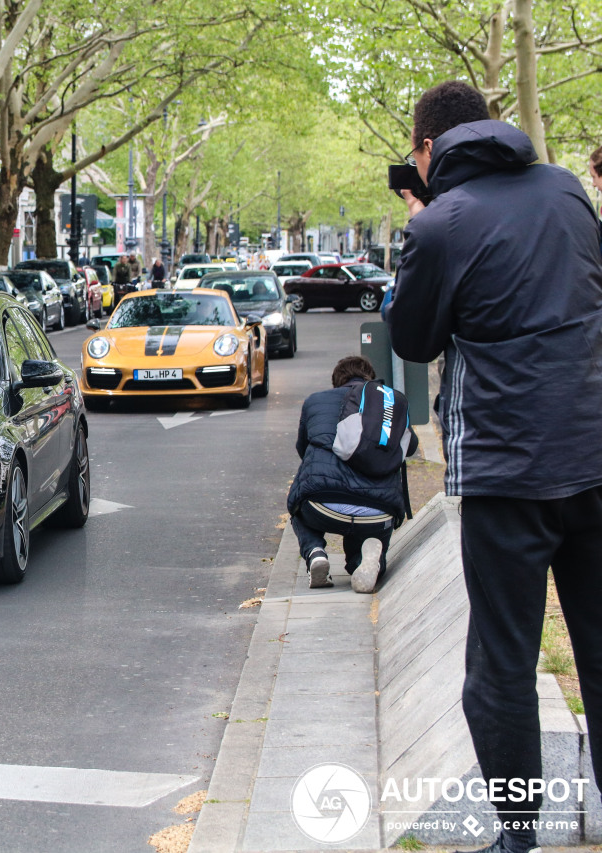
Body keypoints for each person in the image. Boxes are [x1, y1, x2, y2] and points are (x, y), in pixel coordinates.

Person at [389, 80, 602, 853]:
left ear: (427, 149)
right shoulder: (569, 189)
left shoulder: (441, 225)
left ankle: (519, 837)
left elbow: (412, 340)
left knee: (503, 662)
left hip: (505, 473)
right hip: (594, 450)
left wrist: (417, 229)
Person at [288, 356, 417, 593]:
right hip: (379, 510)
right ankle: (364, 561)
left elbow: (302, 448)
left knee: (298, 505)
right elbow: (409, 447)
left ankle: (315, 551)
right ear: (370, 378)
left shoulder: (316, 401)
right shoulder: (385, 405)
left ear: (336, 381)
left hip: (322, 505)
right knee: (367, 535)